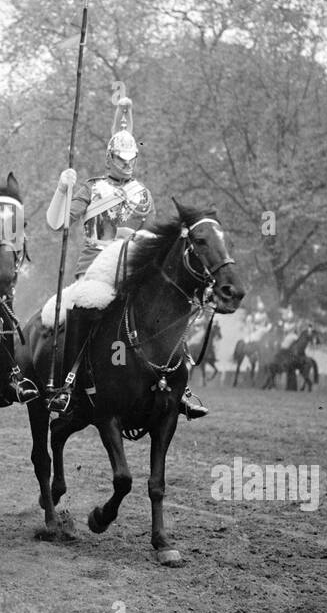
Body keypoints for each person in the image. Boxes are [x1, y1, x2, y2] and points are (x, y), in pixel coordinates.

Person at [43, 91, 207, 419]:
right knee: (85, 313)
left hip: (131, 269)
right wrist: (63, 190)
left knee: (166, 311)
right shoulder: (91, 188)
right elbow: (58, 223)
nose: (127, 164)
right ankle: (69, 385)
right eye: (121, 159)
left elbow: (152, 238)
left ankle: (180, 385)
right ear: (109, 158)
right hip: (94, 267)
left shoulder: (143, 195)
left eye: (131, 159)